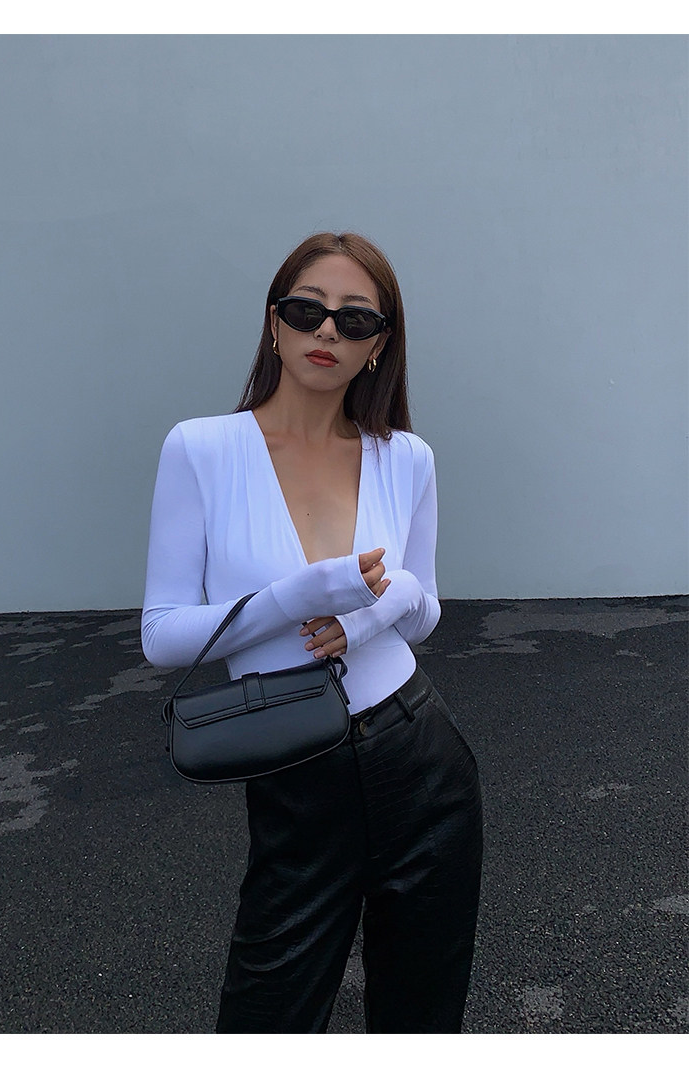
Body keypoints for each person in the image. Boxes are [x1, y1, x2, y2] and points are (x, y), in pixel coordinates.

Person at [141, 232, 483, 1034]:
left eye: (354, 319)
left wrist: (379, 607)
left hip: (420, 755)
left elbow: (425, 610)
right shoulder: (201, 449)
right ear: (274, 324)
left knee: (422, 1017)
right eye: (307, 310)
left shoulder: (406, 457)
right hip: (296, 767)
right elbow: (162, 635)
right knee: (269, 1014)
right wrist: (289, 598)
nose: (327, 329)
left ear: (378, 345)